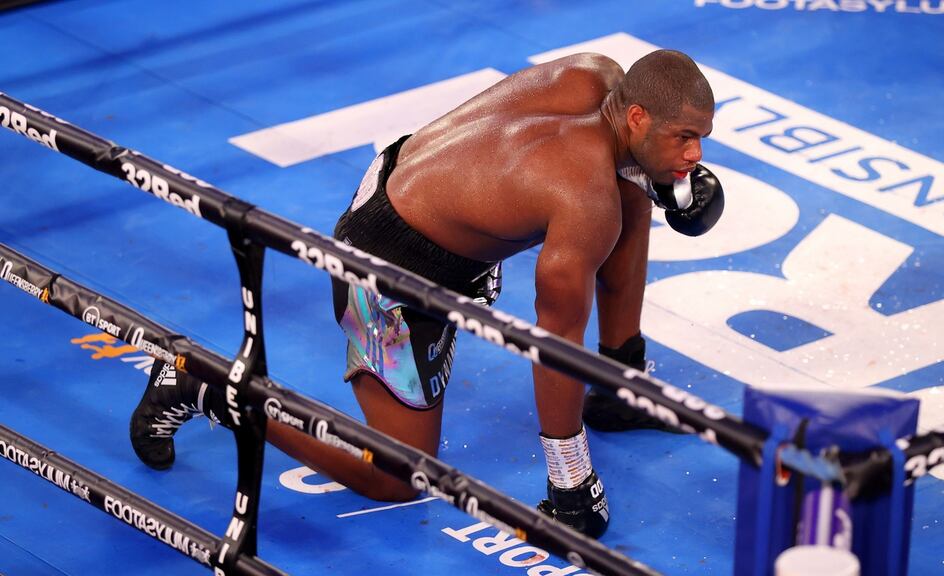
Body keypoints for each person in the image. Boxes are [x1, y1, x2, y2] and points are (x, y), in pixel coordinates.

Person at [130, 49, 723, 539]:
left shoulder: (594, 76)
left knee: (632, 193)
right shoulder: (584, 198)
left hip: (405, 178)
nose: (696, 156)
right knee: (397, 476)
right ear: (639, 116)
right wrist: (569, 479)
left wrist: (652, 174)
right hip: (386, 265)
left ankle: (621, 379)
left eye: (702, 138)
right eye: (685, 137)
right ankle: (206, 386)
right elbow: (554, 341)